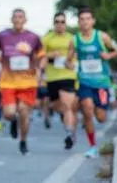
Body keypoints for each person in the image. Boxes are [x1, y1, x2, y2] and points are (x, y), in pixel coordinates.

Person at [69, 6, 117, 158]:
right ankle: (92, 146)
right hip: (85, 82)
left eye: (88, 19)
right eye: (82, 19)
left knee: (101, 117)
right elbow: (68, 59)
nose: (85, 22)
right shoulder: (75, 40)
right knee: (87, 109)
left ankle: (98, 117)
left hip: (102, 83)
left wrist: (108, 55)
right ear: (79, 22)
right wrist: (69, 64)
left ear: (93, 21)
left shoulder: (102, 36)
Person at [0, 8, 43, 155]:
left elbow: (41, 55)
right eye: (15, 17)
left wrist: (39, 68)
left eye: (20, 17)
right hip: (8, 81)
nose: (17, 20)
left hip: (28, 82)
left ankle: (23, 141)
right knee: (9, 113)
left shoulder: (33, 37)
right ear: (11, 19)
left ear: (25, 20)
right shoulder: (2, 36)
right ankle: (13, 121)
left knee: (23, 111)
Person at [41, 12, 78, 150]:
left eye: (63, 21)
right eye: (57, 21)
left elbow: (77, 54)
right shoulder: (47, 39)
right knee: (58, 106)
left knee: (67, 105)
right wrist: (51, 54)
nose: (60, 24)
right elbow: (40, 55)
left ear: (66, 24)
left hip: (68, 75)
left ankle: (69, 134)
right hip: (52, 77)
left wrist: (72, 63)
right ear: (53, 23)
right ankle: (66, 120)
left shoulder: (72, 38)